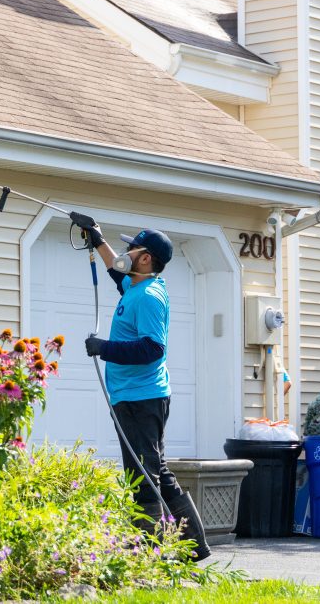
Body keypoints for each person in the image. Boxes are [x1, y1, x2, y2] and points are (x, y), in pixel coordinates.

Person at [79, 218, 211, 561]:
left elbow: (153, 349)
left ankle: (146, 551)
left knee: (143, 474)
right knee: (154, 471)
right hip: (131, 397)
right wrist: (96, 239)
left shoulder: (150, 297)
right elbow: (115, 271)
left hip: (143, 398)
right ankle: (193, 548)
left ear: (146, 259)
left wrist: (104, 348)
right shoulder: (135, 287)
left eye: (131, 248)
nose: (125, 252)